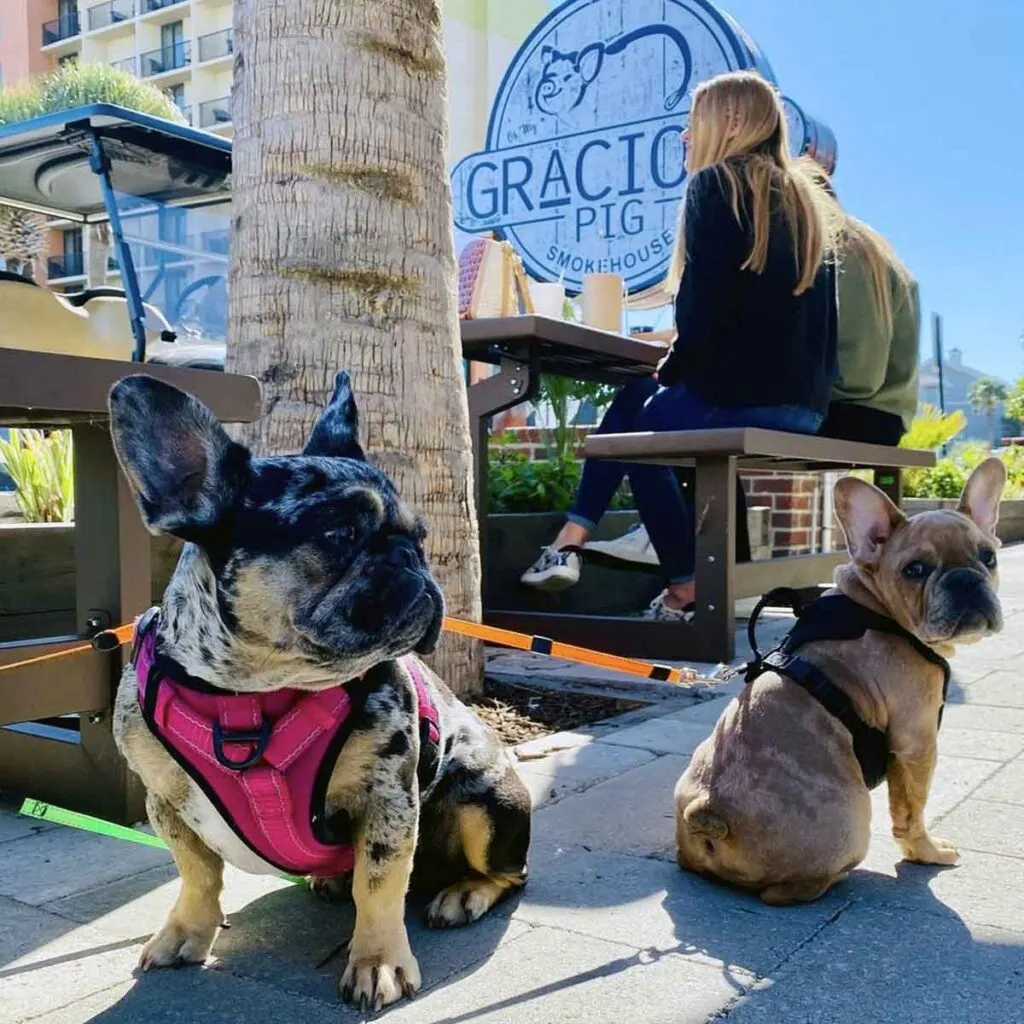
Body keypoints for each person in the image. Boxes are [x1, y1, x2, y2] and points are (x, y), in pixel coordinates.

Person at [520, 70, 840, 619]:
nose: (686, 139)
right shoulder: (806, 205)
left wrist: (671, 368)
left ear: (727, 122)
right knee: (637, 404)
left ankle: (683, 585)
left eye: (692, 125)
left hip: (743, 394)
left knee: (634, 435)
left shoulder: (718, 185)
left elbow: (700, 315)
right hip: (805, 406)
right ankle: (576, 539)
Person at [586, 188, 920, 573]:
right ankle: (723, 560)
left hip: (849, 413)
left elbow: (859, 376)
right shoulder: (878, 256)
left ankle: (659, 546)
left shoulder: (838, 254)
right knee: (705, 414)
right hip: (879, 418)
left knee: (685, 410)